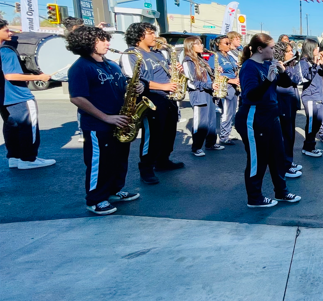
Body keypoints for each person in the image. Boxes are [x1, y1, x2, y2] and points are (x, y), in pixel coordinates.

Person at [66, 26, 140, 214]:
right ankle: (95, 200)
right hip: (98, 125)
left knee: (119, 159)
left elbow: (122, 88)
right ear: (87, 42)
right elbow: (77, 98)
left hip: (120, 121)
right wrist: (106, 117)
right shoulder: (80, 67)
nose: (108, 43)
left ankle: (115, 191)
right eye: (102, 39)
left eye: (107, 39)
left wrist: (137, 88)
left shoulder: (111, 64)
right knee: (99, 163)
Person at [234, 33, 301, 207]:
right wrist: (267, 81)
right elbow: (251, 94)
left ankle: (281, 192)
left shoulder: (267, 64)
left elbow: (286, 84)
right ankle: (255, 198)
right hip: (254, 116)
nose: (274, 50)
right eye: (271, 48)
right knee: (258, 159)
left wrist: (282, 71)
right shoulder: (249, 67)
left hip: (271, 115)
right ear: (260, 49)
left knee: (277, 157)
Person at [120, 22, 183, 184]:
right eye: (150, 33)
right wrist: (164, 86)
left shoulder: (157, 53)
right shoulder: (131, 54)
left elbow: (163, 72)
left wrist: (175, 70)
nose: (154, 36)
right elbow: (133, 79)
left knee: (169, 133)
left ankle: (163, 160)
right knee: (152, 136)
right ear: (139, 36)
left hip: (168, 98)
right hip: (150, 100)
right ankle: (146, 167)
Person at [0, 20, 55, 169]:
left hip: (4, 97)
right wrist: (39, 77)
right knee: (28, 126)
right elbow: (11, 76)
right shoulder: (6, 51)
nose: (10, 33)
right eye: (6, 30)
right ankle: (28, 159)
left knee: (11, 126)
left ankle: (14, 157)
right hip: (19, 95)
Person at [182, 36, 224, 157]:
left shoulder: (200, 59)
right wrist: (208, 85)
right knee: (201, 122)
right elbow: (190, 82)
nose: (202, 46)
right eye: (198, 44)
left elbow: (207, 75)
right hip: (199, 94)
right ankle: (197, 147)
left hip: (208, 93)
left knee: (211, 120)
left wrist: (215, 70)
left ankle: (210, 143)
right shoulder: (188, 61)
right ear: (191, 46)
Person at [274, 42, 304, 176]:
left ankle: (289, 160)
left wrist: (286, 71)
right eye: (289, 51)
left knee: (290, 134)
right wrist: (281, 70)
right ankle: (283, 165)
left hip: (291, 102)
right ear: (281, 53)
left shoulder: (293, 65)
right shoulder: (274, 65)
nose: (292, 53)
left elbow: (297, 80)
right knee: (284, 134)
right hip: (281, 101)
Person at [297, 38, 323, 158]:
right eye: (316, 48)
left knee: (318, 122)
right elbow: (306, 76)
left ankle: (311, 145)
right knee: (311, 123)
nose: (318, 50)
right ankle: (308, 147)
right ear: (310, 49)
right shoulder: (304, 62)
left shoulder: (315, 61)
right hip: (309, 96)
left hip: (318, 95)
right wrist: (315, 64)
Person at [212, 35, 240, 145]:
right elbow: (214, 74)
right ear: (218, 45)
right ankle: (224, 136)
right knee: (226, 113)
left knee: (232, 112)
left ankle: (227, 133)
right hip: (225, 86)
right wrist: (231, 80)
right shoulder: (215, 57)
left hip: (234, 87)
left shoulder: (229, 56)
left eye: (229, 43)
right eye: (226, 43)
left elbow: (235, 68)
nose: (229, 45)